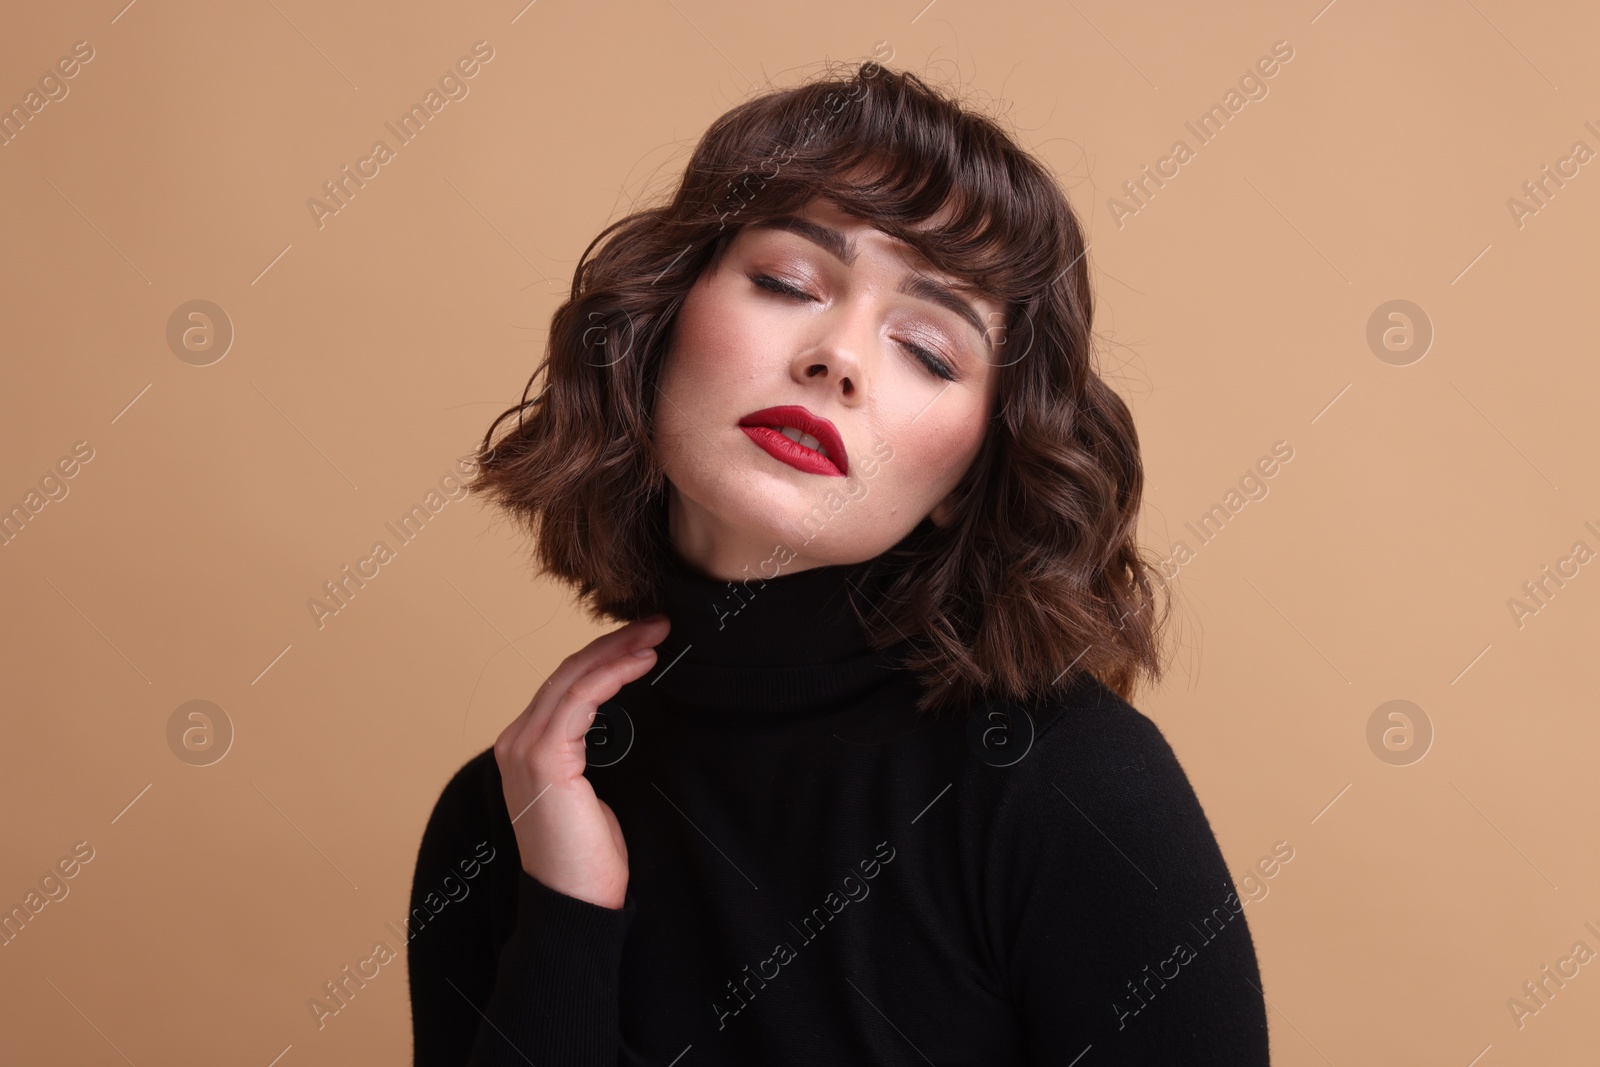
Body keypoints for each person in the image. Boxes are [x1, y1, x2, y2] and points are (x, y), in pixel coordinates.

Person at [407, 58, 1271, 1065]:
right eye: (786, 281)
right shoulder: (501, 820)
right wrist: (564, 916)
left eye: (931, 350)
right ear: (656, 324)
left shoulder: (1074, 791)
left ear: (971, 469)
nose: (838, 356)